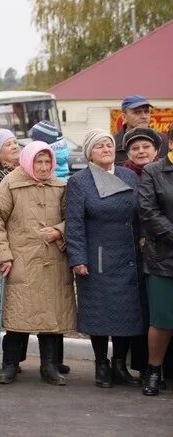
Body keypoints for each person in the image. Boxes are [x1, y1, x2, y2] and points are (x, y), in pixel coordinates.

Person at [0, 141, 75, 385]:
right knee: (18, 315)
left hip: (53, 260)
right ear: (28, 161)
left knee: (50, 317)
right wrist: (2, 254)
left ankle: (49, 366)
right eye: (39, 161)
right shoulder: (11, 183)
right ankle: (10, 365)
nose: (44, 167)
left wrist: (59, 231)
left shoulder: (60, 186)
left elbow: (74, 218)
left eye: (48, 162)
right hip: (21, 259)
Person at [66, 128, 143, 388]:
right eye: (99, 146)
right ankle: (102, 365)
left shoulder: (129, 176)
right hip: (96, 258)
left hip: (128, 256)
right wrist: (78, 258)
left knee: (127, 312)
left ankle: (120, 365)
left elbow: (140, 214)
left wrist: (143, 242)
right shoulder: (79, 181)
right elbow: (74, 223)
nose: (106, 149)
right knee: (98, 313)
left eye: (109, 145)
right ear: (89, 152)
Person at [120, 127, 165, 378]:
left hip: (160, 248)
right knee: (138, 308)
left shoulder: (164, 173)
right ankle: (140, 365)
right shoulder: (123, 175)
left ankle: (159, 366)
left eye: (145, 147)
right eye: (135, 148)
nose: (141, 151)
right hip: (131, 250)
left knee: (157, 311)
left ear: (156, 150)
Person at [137, 125, 173, 395]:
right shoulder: (153, 171)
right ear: (169, 143)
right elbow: (148, 212)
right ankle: (154, 370)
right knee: (162, 318)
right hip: (163, 257)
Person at [114, 95, 169, 165]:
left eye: (146, 112)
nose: (144, 116)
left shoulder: (164, 141)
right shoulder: (112, 145)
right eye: (137, 112)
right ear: (124, 117)